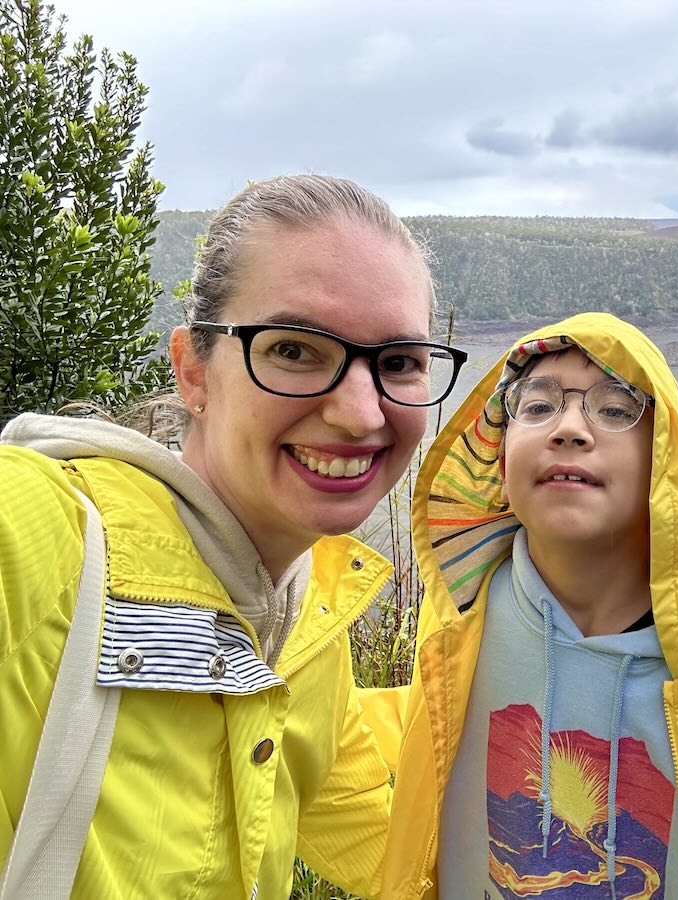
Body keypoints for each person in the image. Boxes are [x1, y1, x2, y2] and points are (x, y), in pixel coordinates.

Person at [0, 174, 466, 898]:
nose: (358, 413)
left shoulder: (304, 626)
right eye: (294, 350)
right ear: (194, 372)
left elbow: (399, 858)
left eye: (399, 362)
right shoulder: (45, 533)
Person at [372, 312, 678, 898]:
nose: (569, 428)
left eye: (614, 408)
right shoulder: (461, 606)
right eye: (537, 405)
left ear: (664, 458)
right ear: (498, 453)